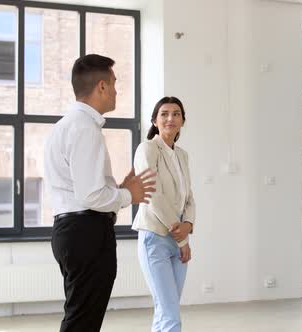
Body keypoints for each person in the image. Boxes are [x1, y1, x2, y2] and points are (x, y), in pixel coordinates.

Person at [44, 54, 156, 332]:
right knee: (83, 321)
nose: (117, 91)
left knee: (80, 315)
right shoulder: (84, 128)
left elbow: (84, 190)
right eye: (115, 84)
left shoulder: (66, 125)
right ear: (102, 86)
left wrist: (120, 189)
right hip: (86, 232)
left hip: (74, 229)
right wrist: (130, 196)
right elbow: (90, 196)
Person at [132, 96, 196, 332]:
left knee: (166, 310)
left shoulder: (182, 155)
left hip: (179, 241)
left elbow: (189, 197)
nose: (171, 118)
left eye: (176, 114)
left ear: (182, 121)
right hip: (155, 238)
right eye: (165, 114)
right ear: (155, 121)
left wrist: (188, 224)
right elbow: (152, 194)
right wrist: (182, 236)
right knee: (170, 315)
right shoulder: (147, 148)